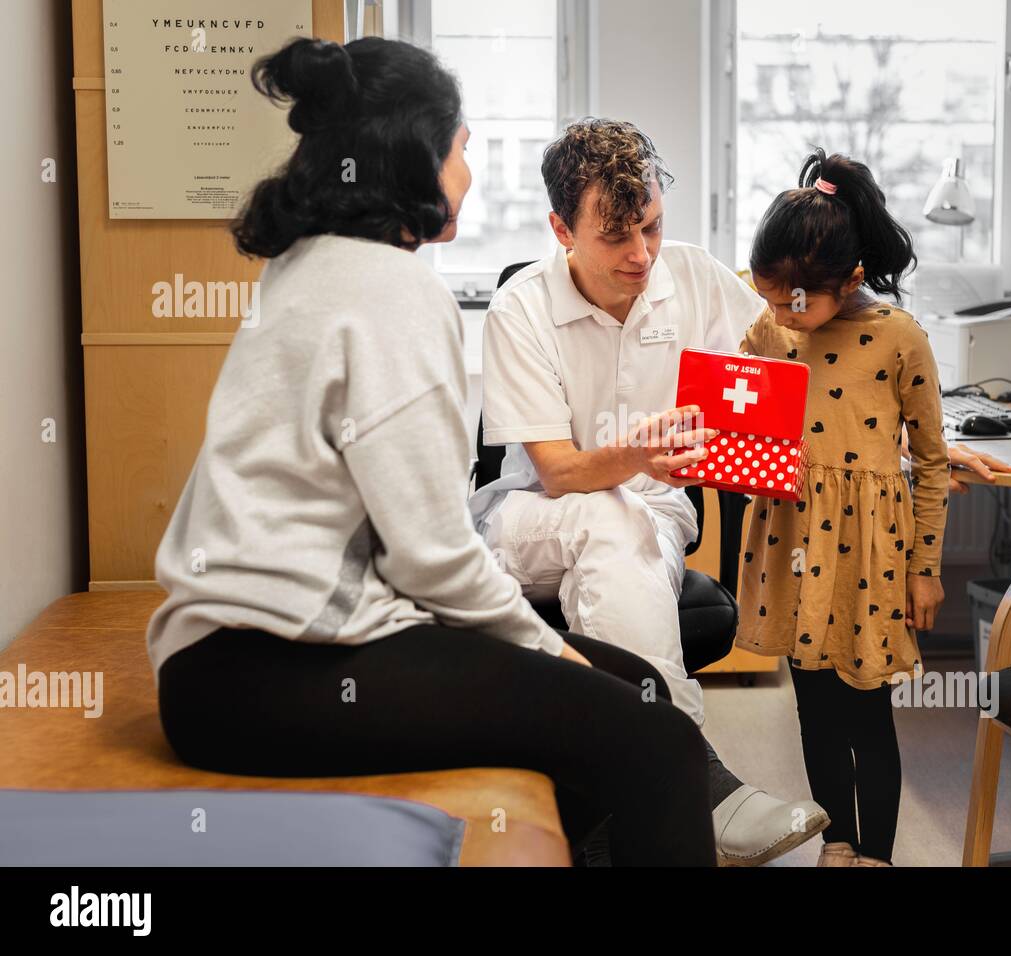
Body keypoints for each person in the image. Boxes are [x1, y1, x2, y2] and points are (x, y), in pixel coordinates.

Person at [145, 37, 715, 867]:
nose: (469, 173)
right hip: (284, 668)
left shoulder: (303, 267)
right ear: (415, 159)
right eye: (461, 149)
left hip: (220, 666)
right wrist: (549, 651)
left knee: (637, 693)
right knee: (657, 742)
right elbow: (435, 556)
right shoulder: (395, 288)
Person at [468, 118, 830, 865]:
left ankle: (641, 796)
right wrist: (638, 454)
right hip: (526, 518)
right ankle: (696, 778)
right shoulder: (521, 308)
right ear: (561, 228)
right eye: (616, 238)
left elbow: (787, 367)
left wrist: (903, 429)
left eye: (654, 228)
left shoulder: (695, 278)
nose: (642, 255)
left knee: (619, 528)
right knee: (603, 511)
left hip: (648, 513)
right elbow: (561, 471)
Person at [734, 148, 948, 867]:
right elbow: (739, 419)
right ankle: (838, 842)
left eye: (791, 300)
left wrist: (925, 567)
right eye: (766, 297)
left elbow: (933, 462)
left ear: (851, 278)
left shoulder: (898, 338)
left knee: (867, 713)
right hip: (792, 545)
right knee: (814, 708)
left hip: (868, 558)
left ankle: (878, 854)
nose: (777, 314)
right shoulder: (772, 330)